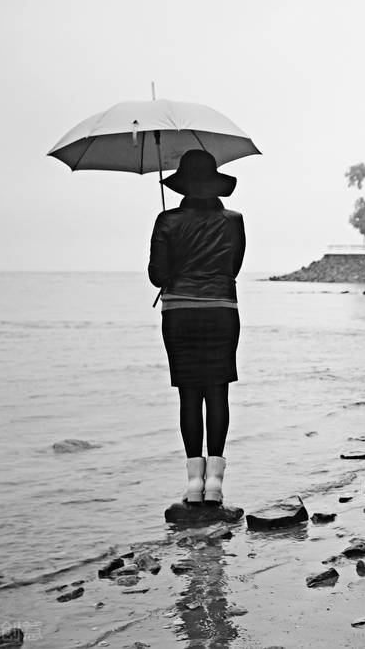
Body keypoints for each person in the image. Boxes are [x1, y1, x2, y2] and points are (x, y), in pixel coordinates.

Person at [148, 149, 246, 505]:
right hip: (222, 310)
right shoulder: (234, 220)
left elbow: (156, 275)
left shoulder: (166, 220)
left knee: (189, 394)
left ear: (182, 186)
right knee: (217, 391)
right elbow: (232, 268)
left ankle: (193, 484)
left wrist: (175, 261)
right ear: (215, 183)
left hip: (180, 314)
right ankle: (216, 483)